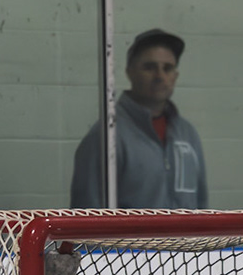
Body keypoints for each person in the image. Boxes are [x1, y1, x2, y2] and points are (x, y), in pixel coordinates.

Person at [71, 28, 207, 209]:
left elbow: (202, 206)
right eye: (149, 67)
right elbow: (87, 213)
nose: (160, 76)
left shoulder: (187, 134)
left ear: (175, 76)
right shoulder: (107, 137)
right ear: (130, 72)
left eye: (167, 68)